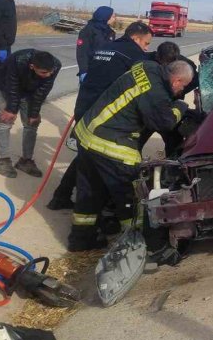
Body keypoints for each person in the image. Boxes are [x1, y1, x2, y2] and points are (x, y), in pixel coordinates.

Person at [67, 59, 192, 252]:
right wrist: (181, 107)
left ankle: (80, 241)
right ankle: (137, 244)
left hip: (87, 136)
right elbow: (164, 122)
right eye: (182, 87)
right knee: (131, 198)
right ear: (176, 81)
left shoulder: (147, 67)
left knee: (89, 192)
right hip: (112, 145)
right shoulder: (156, 93)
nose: (181, 91)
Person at [47, 21, 154, 210]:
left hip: (84, 105)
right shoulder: (134, 56)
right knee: (91, 158)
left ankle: (61, 196)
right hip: (99, 113)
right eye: (146, 43)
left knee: (84, 155)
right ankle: (79, 199)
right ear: (136, 38)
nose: (147, 48)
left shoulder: (106, 47)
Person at [0, 50, 61, 178]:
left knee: (32, 123)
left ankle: (25, 161)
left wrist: (34, 113)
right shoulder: (18, 60)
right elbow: (12, 86)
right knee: (6, 121)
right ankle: (3, 161)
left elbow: (43, 90)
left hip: (29, 90)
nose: (49, 75)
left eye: (51, 71)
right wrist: (11, 109)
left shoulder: (55, 66)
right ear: (32, 67)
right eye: (44, 72)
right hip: (4, 86)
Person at [65, 6, 117, 151]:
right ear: (105, 16)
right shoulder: (88, 31)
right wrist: (83, 71)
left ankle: (91, 136)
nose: (115, 18)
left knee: (99, 109)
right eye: (113, 16)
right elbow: (82, 52)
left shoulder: (110, 32)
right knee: (84, 107)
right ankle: (74, 138)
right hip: (90, 73)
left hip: (104, 75)